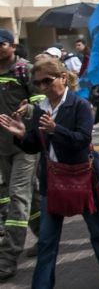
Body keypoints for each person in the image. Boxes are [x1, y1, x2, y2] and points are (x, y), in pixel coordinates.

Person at [0, 58, 99, 289]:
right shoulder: (41, 109)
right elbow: (35, 145)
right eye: (38, 84)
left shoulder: (80, 105)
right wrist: (20, 135)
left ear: (63, 78)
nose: (43, 87)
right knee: (47, 241)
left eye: (47, 81)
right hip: (52, 180)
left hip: (82, 177)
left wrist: (57, 130)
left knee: (98, 231)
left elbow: (83, 140)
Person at [0, 29, 39, 281]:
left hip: (24, 145)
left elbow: (41, 100)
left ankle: (8, 256)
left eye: (1, 43)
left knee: (17, 196)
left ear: (13, 46)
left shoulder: (25, 70)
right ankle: (46, 235)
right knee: (29, 197)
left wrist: (28, 107)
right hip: (2, 148)